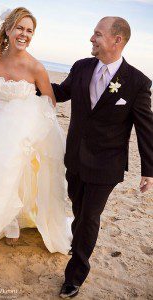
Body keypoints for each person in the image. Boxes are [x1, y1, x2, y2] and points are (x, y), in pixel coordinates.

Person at [0, 7, 71, 272]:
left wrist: (31, 125)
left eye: (29, 30)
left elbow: (49, 101)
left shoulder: (36, 67)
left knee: (11, 176)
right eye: (20, 28)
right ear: (7, 29)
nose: (24, 34)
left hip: (22, 133)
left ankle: (13, 222)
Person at [51, 17, 153, 298]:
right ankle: (79, 241)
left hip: (107, 164)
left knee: (89, 218)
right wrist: (31, 82)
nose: (91, 39)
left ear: (116, 40)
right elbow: (61, 93)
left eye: (97, 34)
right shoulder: (82, 67)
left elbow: (146, 127)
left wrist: (149, 169)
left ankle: (75, 275)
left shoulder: (137, 82)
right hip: (74, 158)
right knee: (79, 209)